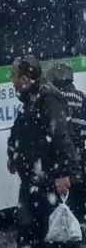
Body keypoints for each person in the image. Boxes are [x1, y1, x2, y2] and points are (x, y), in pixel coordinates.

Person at [0, 55, 86, 248]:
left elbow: (60, 138)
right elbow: (19, 132)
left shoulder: (48, 97)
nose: (11, 80)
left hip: (48, 181)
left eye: (13, 75)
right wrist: (13, 155)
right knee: (26, 237)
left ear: (25, 77)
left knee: (61, 235)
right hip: (32, 181)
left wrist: (64, 174)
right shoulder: (30, 99)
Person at [46, 62, 86, 226]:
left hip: (62, 160)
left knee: (62, 201)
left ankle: (64, 235)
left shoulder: (53, 99)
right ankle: (80, 231)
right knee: (79, 198)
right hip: (80, 158)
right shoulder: (81, 98)